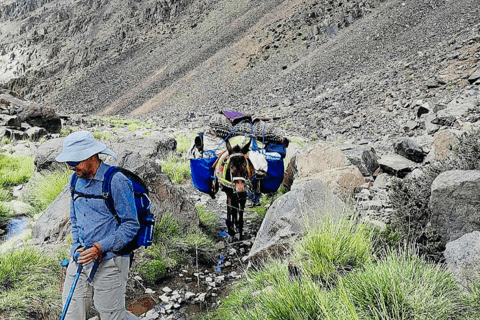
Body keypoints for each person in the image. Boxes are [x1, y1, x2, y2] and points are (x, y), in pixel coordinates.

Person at [56, 131, 139, 320]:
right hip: (81, 258)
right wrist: (77, 246)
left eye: (73, 161)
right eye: (67, 162)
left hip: (111, 261)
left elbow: (131, 225)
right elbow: (75, 219)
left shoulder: (116, 181)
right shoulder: (75, 180)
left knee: (112, 316)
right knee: (71, 314)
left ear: (90, 156)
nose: (70, 167)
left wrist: (99, 248)